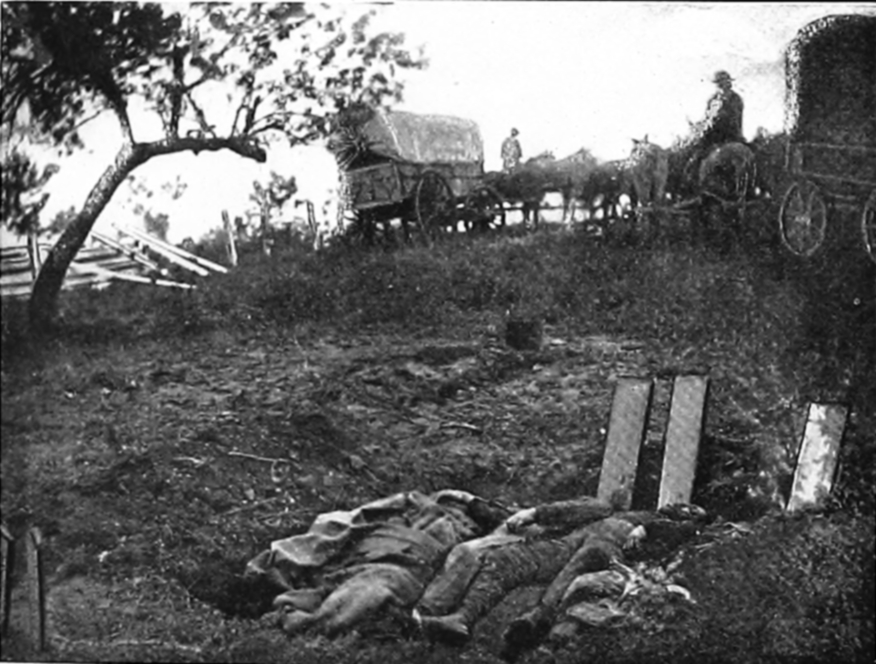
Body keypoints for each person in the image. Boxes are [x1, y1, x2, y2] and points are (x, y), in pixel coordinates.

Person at [414, 498, 707, 649]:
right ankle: (462, 619)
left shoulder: (672, 529)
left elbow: (686, 529)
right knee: (504, 558)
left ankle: (540, 617)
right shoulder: (615, 510)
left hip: (608, 552)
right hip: (568, 544)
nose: (679, 506)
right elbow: (577, 509)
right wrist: (535, 513)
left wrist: (648, 528)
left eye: (687, 509)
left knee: (592, 553)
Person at [244, 490, 510, 636]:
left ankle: (310, 627)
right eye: (458, 514)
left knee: (375, 591)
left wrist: (489, 515)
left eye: (469, 521)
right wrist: (287, 555)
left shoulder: (473, 541)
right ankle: (294, 618)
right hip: (360, 557)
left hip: (403, 570)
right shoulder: (413, 503)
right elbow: (347, 522)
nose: (463, 522)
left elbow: (507, 530)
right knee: (322, 591)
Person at [680, 70, 746, 190]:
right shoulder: (713, 99)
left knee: (697, 153)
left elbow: (730, 119)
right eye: (718, 83)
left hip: (727, 134)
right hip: (717, 132)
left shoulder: (734, 99)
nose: (720, 86)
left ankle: (692, 183)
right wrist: (698, 125)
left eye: (722, 82)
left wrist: (708, 127)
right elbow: (707, 117)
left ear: (728, 83)